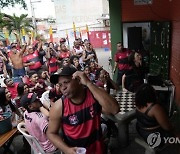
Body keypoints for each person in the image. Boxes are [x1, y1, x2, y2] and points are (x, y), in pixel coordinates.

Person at [47, 66, 119, 154]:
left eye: (66, 82)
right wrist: (67, 150)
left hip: (99, 149)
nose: (63, 88)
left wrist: (88, 83)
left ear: (78, 80)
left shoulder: (94, 94)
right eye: (60, 85)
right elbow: (51, 133)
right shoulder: (59, 107)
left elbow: (114, 109)